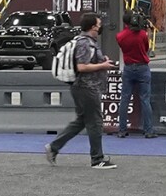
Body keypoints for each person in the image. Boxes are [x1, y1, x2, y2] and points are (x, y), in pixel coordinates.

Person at [45, 12, 116, 169]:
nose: (100, 27)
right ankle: (97, 159)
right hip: (86, 87)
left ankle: (54, 147)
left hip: (82, 88)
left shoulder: (84, 41)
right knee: (96, 122)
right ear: (92, 27)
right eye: (98, 25)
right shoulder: (85, 43)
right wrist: (103, 66)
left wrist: (101, 60)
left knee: (81, 121)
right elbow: (82, 66)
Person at [115, 15, 155, 138]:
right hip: (142, 67)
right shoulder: (143, 34)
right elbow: (146, 48)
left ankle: (122, 130)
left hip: (128, 68)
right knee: (145, 99)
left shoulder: (120, 36)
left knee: (125, 99)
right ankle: (148, 131)